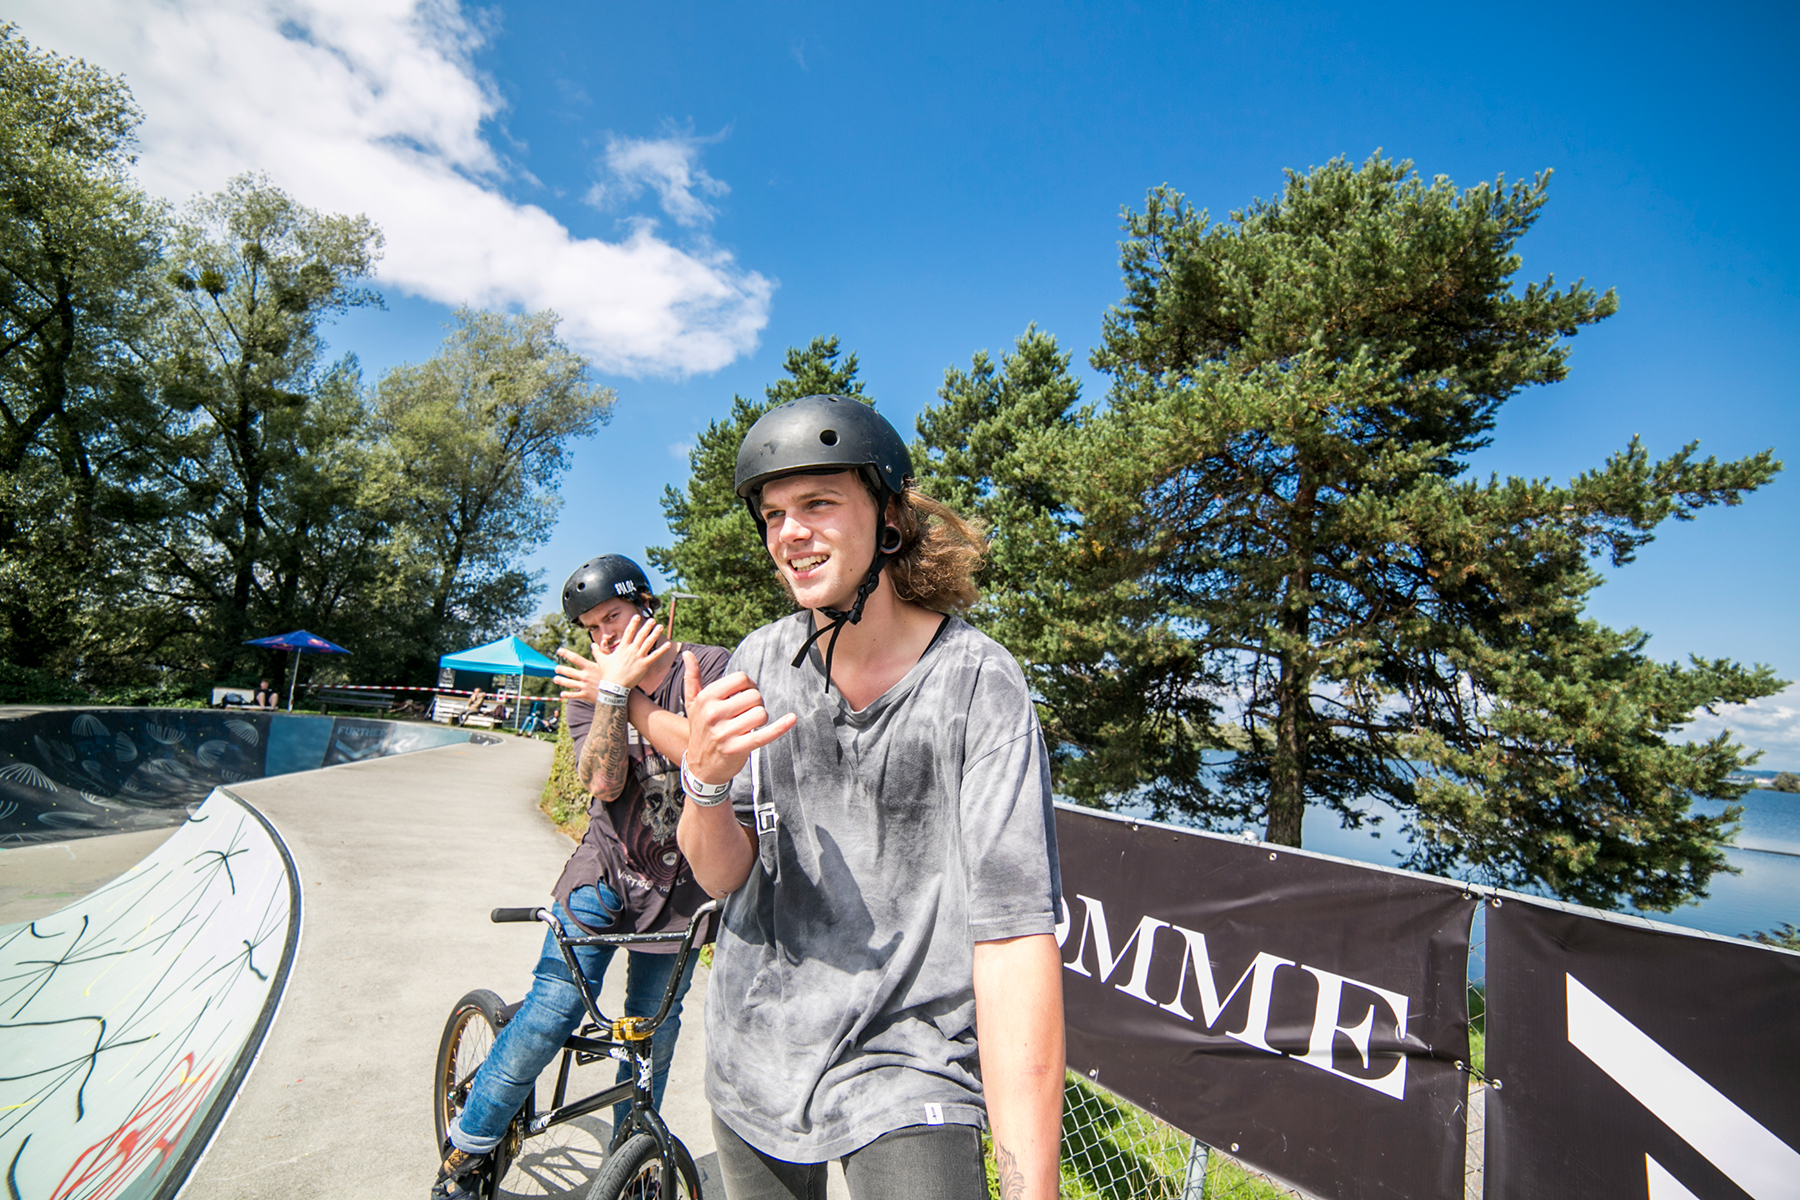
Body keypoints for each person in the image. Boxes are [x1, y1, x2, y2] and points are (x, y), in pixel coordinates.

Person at [677, 395, 1066, 1200]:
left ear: (888, 516)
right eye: (775, 513)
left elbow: (1013, 938)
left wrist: (1033, 1187)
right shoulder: (759, 659)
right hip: (758, 1048)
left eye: (819, 503)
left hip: (908, 1059)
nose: (790, 532)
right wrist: (705, 783)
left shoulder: (977, 682)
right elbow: (721, 878)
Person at [431, 555, 731, 1200]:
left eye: (615, 617)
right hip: (603, 875)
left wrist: (631, 698)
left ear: (650, 609)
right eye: (593, 628)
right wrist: (611, 697)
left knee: (651, 1028)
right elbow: (601, 781)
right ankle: (468, 1149)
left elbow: (715, 757)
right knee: (553, 1010)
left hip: (682, 894)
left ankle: (631, 1166)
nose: (605, 638)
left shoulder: (711, 666)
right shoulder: (589, 688)